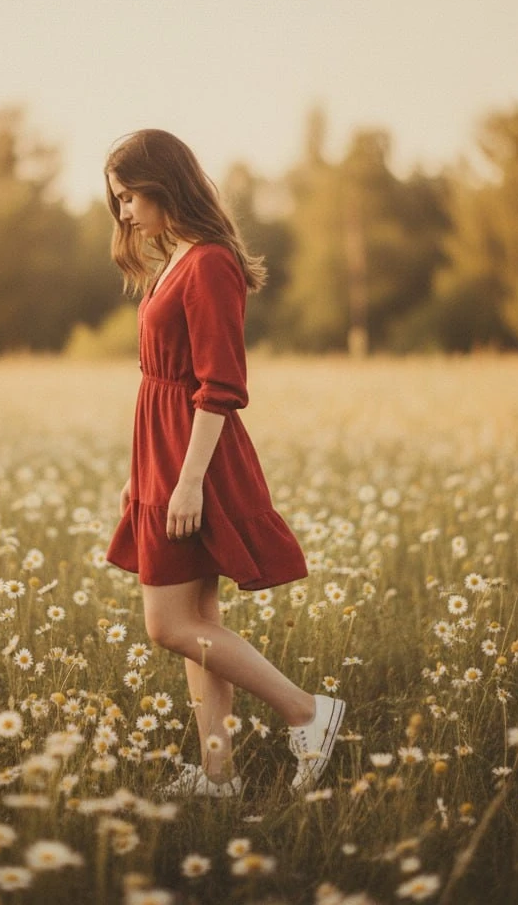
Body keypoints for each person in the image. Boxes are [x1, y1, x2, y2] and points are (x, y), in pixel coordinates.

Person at [103, 129, 345, 797]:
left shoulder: (208, 262)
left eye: (129, 196)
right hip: (164, 454)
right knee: (197, 624)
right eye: (117, 201)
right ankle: (218, 776)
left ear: (164, 182)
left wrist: (186, 481)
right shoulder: (175, 258)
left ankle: (306, 711)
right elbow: (160, 380)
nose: (123, 213)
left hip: (195, 458)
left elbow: (220, 385)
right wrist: (145, 472)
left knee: (169, 625)